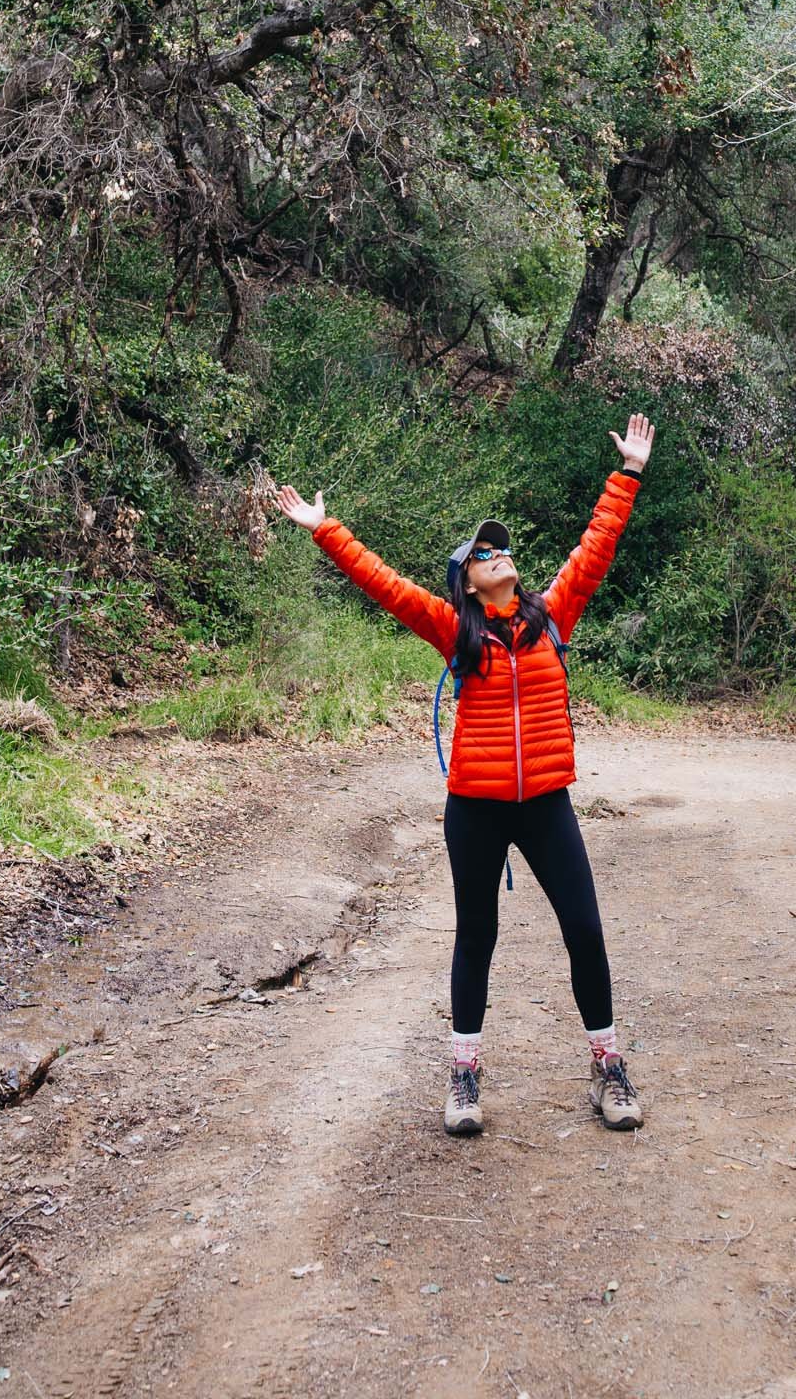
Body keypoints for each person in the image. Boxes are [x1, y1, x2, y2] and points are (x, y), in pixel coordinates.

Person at [274, 411, 655, 1137]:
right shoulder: (455, 630)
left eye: (502, 549)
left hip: (546, 803)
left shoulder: (551, 616)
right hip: (474, 809)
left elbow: (597, 543)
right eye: (484, 554)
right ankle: (464, 1077)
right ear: (468, 582)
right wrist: (326, 529)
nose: (499, 554)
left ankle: (607, 1066)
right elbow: (385, 586)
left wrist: (628, 472)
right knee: (474, 933)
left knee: (583, 928)